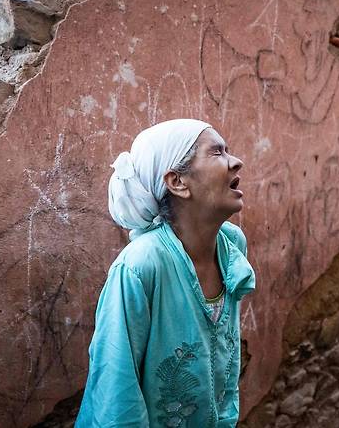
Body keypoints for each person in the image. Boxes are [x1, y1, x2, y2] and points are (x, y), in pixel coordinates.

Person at [75, 119, 256, 427]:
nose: (236, 161)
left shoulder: (231, 245)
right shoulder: (140, 265)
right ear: (177, 182)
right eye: (217, 152)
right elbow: (116, 391)